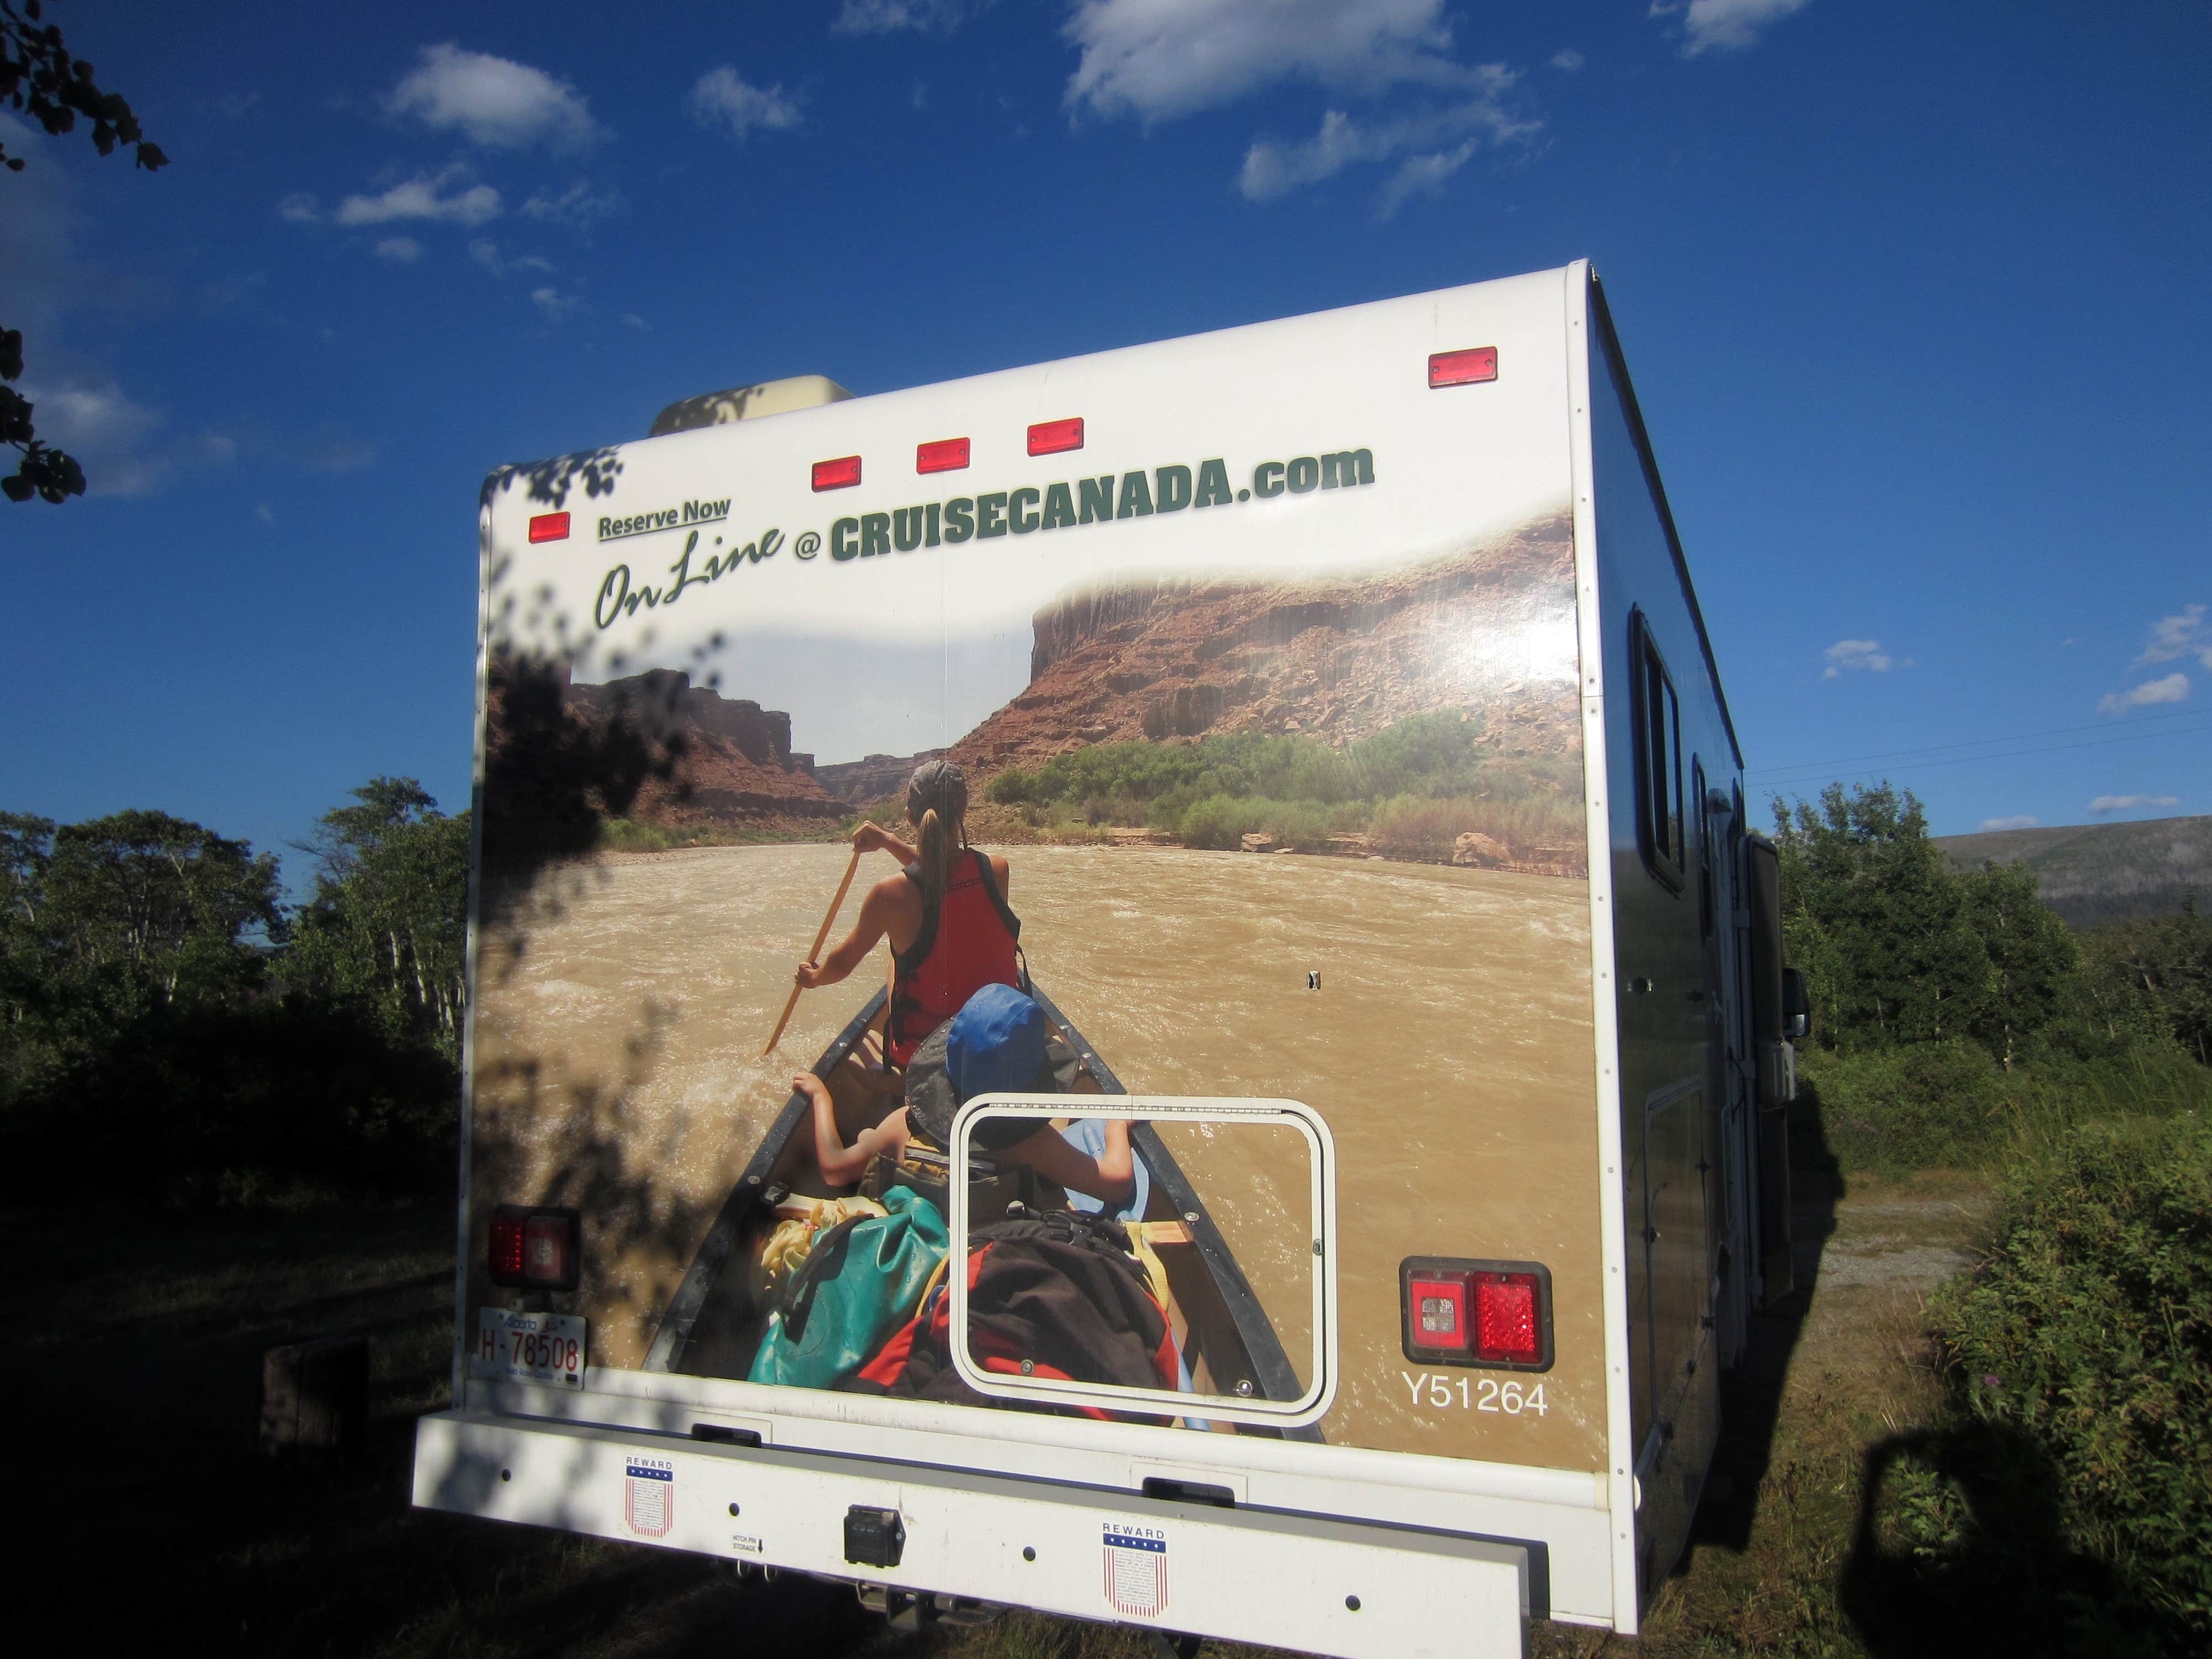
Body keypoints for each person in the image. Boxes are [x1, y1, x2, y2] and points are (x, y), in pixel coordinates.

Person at [794, 983, 1135, 1207]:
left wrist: (822, 1099)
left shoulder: (904, 1125)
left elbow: (835, 1169)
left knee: (870, 1137)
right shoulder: (1035, 1146)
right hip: (990, 1262)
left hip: (929, 1253)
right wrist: (1116, 1126)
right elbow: (1116, 1185)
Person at [794, 759, 1021, 1071]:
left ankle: (893, 1077)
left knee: (896, 956)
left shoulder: (889, 896)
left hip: (928, 1057)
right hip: (999, 1041)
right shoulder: (996, 870)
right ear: (963, 811)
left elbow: (842, 964)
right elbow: (943, 874)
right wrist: (888, 841)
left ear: (910, 817)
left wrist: (813, 978)